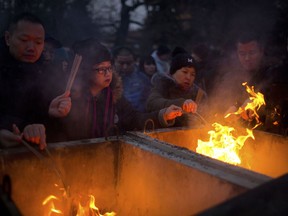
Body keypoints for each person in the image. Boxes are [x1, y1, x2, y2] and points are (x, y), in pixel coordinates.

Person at [52, 38, 182, 141]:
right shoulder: (68, 100)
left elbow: (134, 118)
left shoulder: (113, 95)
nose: (108, 73)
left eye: (109, 68)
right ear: (85, 72)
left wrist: (163, 115)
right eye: (101, 69)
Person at [0, 12, 70, 149]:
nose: (31, 48)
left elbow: (58, 131)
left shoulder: (48, 74)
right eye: (24, 40)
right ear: (8, 38)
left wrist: (52, 114)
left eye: (38, 42)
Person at [146, 47, 208, 127]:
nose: (188, 77)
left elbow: (208, 117)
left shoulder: (198, 94)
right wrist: (181, 103)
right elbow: (151, 103)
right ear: (173, 72)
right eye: (185, 72)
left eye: (193, 74)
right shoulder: (163, 85)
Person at [112, 46, 151, 112]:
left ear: (134, 62)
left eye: (128, 63)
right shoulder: (106, 79)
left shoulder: (143, 79)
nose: (125, 67)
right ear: (114, 61)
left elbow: (147, 102)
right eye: (121, 63)